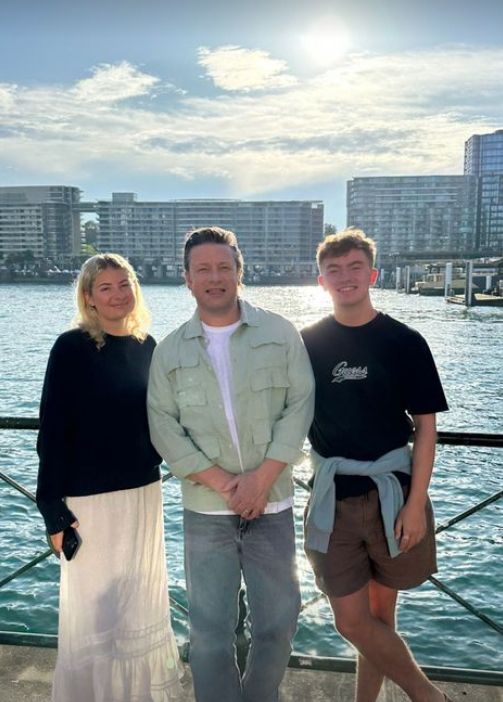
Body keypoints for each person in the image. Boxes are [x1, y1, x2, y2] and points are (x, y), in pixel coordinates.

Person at [147, 226, 314, 702]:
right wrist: (227, 485)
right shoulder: (169, 351)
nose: (214, 277)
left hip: (274, 506)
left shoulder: (281, 333)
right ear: (187, 279)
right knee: (209, 634)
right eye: (203, 269)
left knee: (279, 623)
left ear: (240, 272)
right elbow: (164, 428)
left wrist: (261, 482)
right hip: (206, 511)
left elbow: (300, 406)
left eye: (224, 267)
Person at [301, 229, 451, 702]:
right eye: (334, 269)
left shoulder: (404, 341)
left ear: (373, 274)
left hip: (391, 494)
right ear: (321, 280)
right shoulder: (303, 344)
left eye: (354, 268)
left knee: (381, 617)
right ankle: (428, 696)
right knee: (351, 619)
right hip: (333, 496)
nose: (345, 277)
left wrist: (414, 505)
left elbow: (426, 428)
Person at [36, 253, 183, 702]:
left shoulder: (148, 345)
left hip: (143, 493)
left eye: (124, 284)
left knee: (137, 603)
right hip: (90, 503)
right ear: (89, 298)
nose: (118, 294)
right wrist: (53, 513)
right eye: (106, 287)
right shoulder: (72, 347)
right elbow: (53, 429)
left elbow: (165, 418)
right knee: (95, 613)